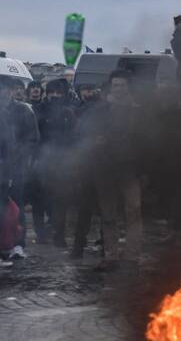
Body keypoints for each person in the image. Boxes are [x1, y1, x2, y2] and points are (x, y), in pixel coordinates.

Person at [80, 70, 143, 271]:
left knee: (133, 212)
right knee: (108, 216)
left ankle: (132, 257)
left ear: (128, 87)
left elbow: (146, 141)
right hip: (105, 170)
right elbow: (89, 135)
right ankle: (111, 256)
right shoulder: (101, 111)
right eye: (116, 85)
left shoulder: (137, 112)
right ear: (111, 87)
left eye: (122, 85)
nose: (119, 89)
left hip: (130, 170)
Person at [0, 76, 39, 259]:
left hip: (16, 166)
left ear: (11, 91)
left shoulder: (23, 110)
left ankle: (18, 244)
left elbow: (33, 139)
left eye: (4, 89)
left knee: (16, 204)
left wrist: (18, 154)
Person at [36, 78, 78, 247]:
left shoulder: (69, 112)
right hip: (43, 160)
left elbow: (74, 135)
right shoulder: (39, 110)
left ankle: (58, 235)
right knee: (42, 199)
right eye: (52, 92)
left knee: (61, 199)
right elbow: (35, 135)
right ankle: (42, 233)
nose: (55, 96)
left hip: (63, 161)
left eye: (58, 93)